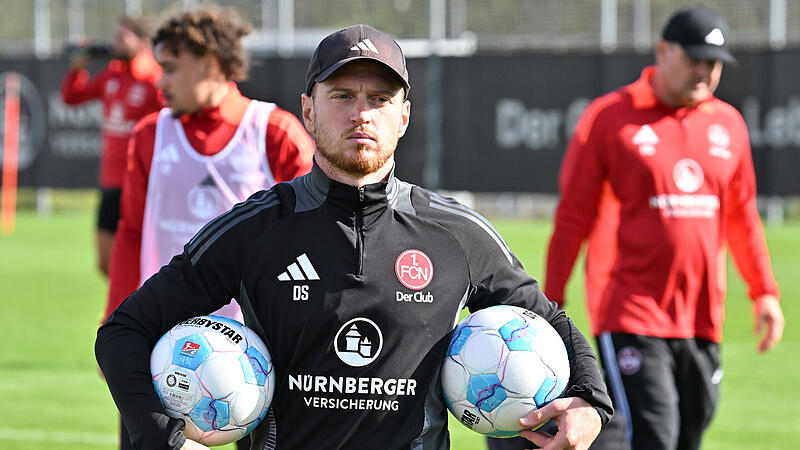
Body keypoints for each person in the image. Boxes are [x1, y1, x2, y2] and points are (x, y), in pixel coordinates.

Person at [96, 24, 613, 450]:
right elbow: (124, 331)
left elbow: (550, 322)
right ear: (308, 110)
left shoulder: (456, 234)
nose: (361, 113)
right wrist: (161, 437)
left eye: (380, 98)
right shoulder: (257, 228)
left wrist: (590, 400)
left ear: (403, 116)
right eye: (341, 95)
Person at [542, 5, 785, 450]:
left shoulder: (727, 124)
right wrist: (551, 300)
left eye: (712, 63)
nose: (704, 71)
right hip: (630, 312)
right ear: (662, 51)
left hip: (702, 318)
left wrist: (764, 292)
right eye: (693, 58)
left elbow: (742, 216)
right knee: (655, 436)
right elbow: (573, 215)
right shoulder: (610, 118)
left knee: (690, 435)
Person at [103, 8, 314, 450]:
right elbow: (131, 234)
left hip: (254, 354)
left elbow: (314, 235)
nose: (160, 82)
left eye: (171, 69)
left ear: (210, 63)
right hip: (161, 347)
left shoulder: (272, 132)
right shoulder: (148, 134)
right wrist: (117, 322)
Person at [61, 15, 162, 277]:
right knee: (106, 263)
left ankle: (141, 311)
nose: (115, 43)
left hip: (142, 183)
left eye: (122, 38)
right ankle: (124, 308)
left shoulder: (155, 79)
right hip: (111, 180)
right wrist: (77, 68)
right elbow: (72, 98)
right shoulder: (112, 73)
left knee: (145, 260)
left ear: (142, 42)